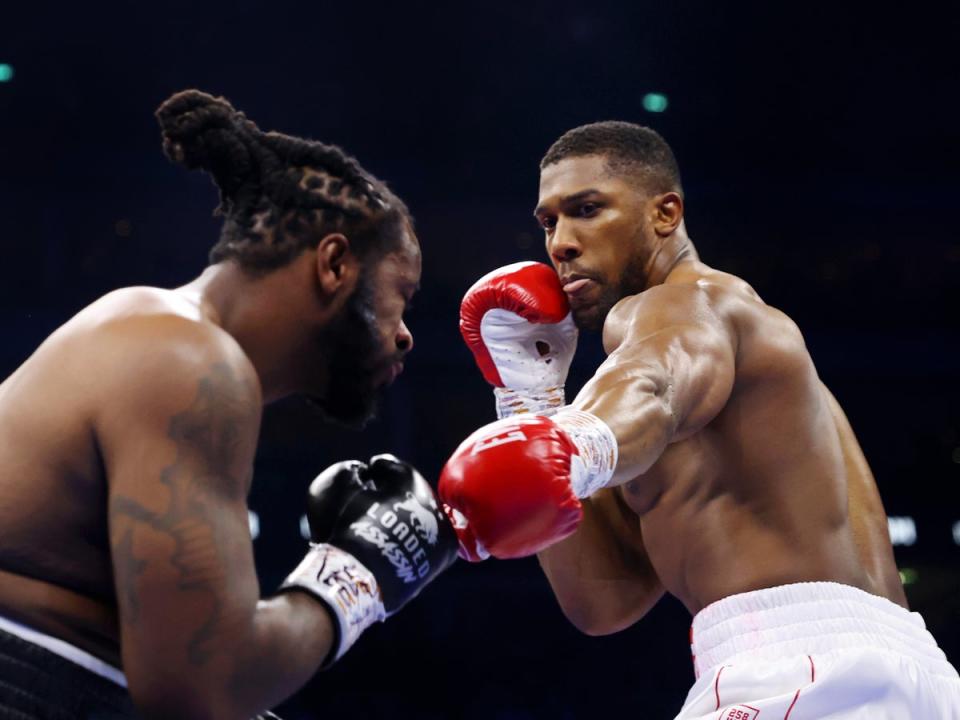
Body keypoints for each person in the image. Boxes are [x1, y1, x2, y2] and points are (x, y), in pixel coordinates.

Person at [439, 121, 960, 718]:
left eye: (587, 209)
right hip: (898, 676)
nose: (561, 242)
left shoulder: (694, 303)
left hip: (799, 669)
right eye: (549, 222)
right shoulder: (715, 384)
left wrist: (571, 441)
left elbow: (659, 381)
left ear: (665, 214)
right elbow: (604, 601)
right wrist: (532, 404)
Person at [0, 90, 457, 719]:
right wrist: (357, 575)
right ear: (333, 265)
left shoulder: (167, 341)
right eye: (401, 294)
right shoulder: (186, 359)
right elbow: (200, 693)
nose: (405, 332)